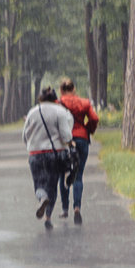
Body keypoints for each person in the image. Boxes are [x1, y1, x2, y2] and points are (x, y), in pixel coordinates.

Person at [21, 85, 75, 230]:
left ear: (40, 97)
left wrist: (33, 144)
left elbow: (25, 136)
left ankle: (42, 198)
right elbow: (65, 135)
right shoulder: (60, 111)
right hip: (55, 154)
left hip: (36, 154)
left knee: (39, 185)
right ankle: (48, 217)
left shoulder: (33, 112)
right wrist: (70, 142)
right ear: (55, 98)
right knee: (52, 186)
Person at [56, 79, 99, 224]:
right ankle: (77, 207)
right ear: (74, 89)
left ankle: (64, 208)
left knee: (64, 174)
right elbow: (94, 118)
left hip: (65, 140)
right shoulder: (84, 103)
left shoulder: (58, 104)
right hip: (81, 139)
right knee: (78, 175)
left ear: (61, 90)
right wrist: (88, 129)